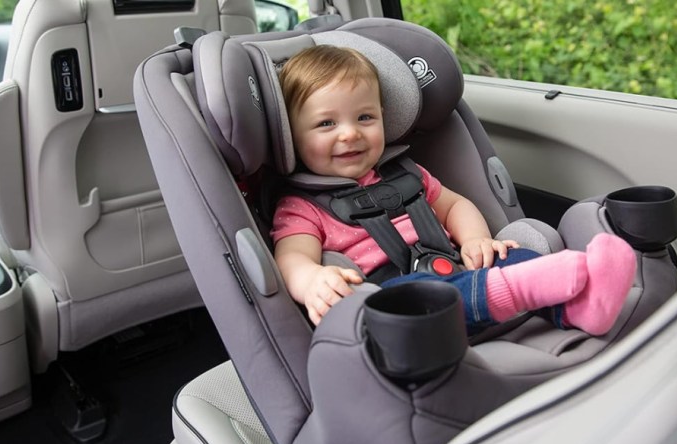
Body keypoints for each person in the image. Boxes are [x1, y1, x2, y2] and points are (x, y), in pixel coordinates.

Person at [271, 45, 636, 336]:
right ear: (291, 136)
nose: (349, 133)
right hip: (401, 307)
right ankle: (524, 289)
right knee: (434, 295)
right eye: (326, 123)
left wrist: (476, 240)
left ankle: (583, 307)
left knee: (511, 255)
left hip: (456, 266)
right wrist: (312, 281)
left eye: (365, 117)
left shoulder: (406, 174)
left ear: (384, 117)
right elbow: (291, 259)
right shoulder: (301, 207)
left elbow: (455, 205)